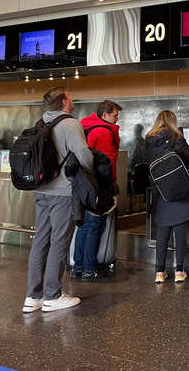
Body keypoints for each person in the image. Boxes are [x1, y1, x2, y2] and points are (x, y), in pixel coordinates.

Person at [23, 87, 93, 313]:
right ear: (64, 102)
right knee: (59, 241)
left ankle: (33, 297)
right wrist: (93, 168)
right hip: (62, 192)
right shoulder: (71, 124)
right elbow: (83, 156)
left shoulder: (40, 123)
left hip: (41, 190)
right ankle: (52, 295)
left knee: (40, 240)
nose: (72, 99)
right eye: (69, 96)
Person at [145, 110, 189, 284]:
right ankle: (179, 271)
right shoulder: (176, 137)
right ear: (173, 122)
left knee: (162, 231)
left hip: (160, 190)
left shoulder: (149, 140)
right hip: (178, 186)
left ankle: (159, 273)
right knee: (179, 229)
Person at [71, 100, 122, 281]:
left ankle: (77, 267)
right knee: (94, 226)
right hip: (99, 186)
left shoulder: (85, 128)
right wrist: (112, 184)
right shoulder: (103, 132)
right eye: (115, 114)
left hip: (83, 184)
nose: (117, 118)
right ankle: (89, 269)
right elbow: (107, 164)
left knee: (84, 226)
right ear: (105, 115)